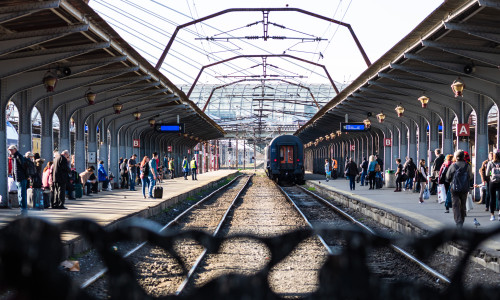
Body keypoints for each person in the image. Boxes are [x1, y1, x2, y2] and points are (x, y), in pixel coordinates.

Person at [446, 150, 473, 227]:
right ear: (463, 157)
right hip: (464, 188)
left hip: (454, 188)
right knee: (463, 204)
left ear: (456, 157)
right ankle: (462, 219)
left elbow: (447, 177)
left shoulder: (453, 165)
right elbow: (470, 177)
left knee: (455, 205)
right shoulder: (467, 166)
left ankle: (458, 221)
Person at [8, 145, 28, 215]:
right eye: (9, 150)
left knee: (22, 195)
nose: (10, 151)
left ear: (15, 149)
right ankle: (22, 210)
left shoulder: (18, 156)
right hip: (18, 179)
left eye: (11, 150)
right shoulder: (14, 157)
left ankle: (24, 211)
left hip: (21, 178)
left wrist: (24, 176)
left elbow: (24, 166)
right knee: (20, 195)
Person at [485, 151, 500, 221]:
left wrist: (491, 173)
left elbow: (487, 173)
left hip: (492, 182)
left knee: (492, 198)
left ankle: (492, 215)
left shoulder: (490, 163)